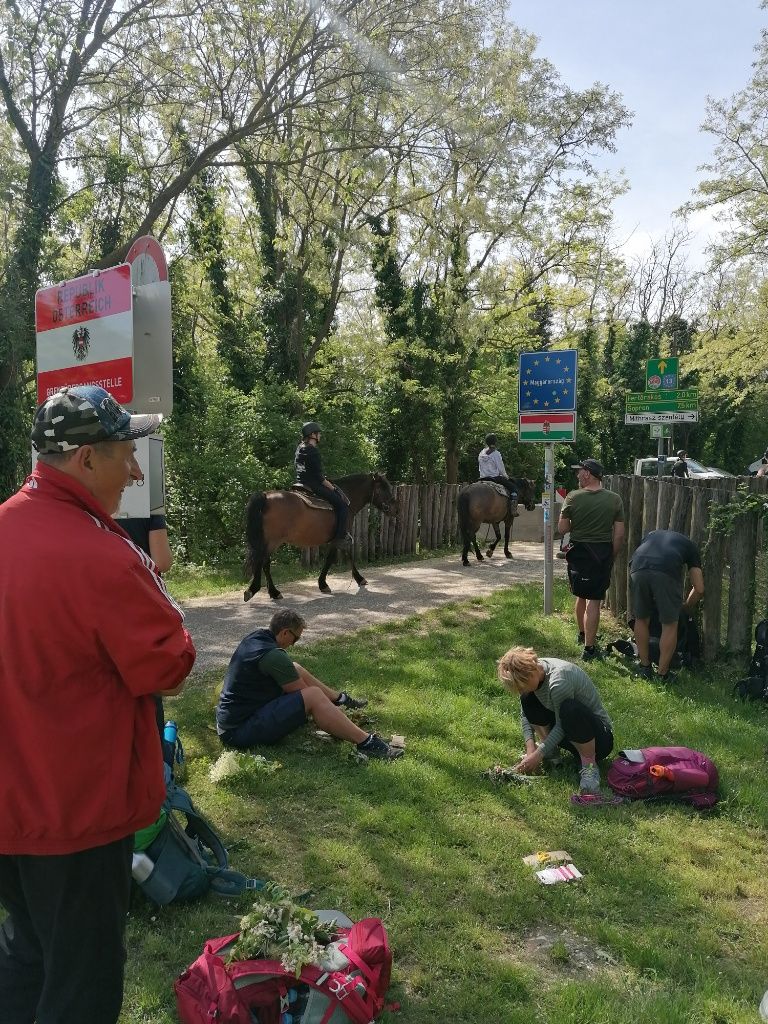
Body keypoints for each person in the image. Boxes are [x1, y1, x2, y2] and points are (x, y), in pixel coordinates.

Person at [0, 385, 196, 1024]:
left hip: (10, 809)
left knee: (27, 954)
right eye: (124, 453)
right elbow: (171, 663)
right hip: (76, 816)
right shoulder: (101, 555)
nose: (135, 469)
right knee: (81, 986)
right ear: (86, 459)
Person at [216, 608, 404, 761]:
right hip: (238, 731)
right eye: (295, 638)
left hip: (233, 719)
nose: (294, 643)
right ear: (284, 633)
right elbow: (307, 697)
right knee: (313, 695)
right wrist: (334, 715)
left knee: (295, 667)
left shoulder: (257, 637)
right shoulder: (273, 656)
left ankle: (340, 699)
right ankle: (367, 743)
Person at [497, 646, 614, 795]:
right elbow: (526, 714)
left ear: (530, 673)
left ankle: (590, 767)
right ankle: (551, 753)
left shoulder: (558, 681)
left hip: (599, 741)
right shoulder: (535, 676)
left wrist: (537, 755)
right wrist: (531, 751)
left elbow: (561, 725)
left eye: (521, 687)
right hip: (571, 733)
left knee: (570, 709)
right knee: (527, 699)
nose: (520, 691)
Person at [557, 458, 625, 661]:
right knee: (594, 601)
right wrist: (611, 555)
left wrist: (575, 523)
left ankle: (582, 634)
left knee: (580, 595)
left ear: (588, 473)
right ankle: (590, 648)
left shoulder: (573, 497)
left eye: (579, 472)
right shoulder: (614, 499)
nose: (577, 475)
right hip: (601, 553)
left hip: (579, 553)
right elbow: (619, 534)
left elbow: (562, 529)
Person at [629, 529, 704, 681]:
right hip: (665, 572)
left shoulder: (650, 535)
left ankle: (644, 667)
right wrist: (685, 606)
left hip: (637, 567)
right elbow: (699, 588)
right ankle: (662, 674)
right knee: (670, 624)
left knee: (641, 618)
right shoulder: (690, 546)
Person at [294, 421, 354, 552]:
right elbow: (320, 478)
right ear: (312, 435)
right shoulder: (313, 451)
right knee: (342, 505)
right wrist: (333, 487)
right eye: (318, 433)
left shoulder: (300, 447)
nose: (320, 435)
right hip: (313, 485)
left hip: (299, 484)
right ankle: (339, 537)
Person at [477, 433, 517, 500]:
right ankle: (513, 500)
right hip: (494, 478)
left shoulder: (481, 452)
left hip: (482, 478)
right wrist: (506, 477)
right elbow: (501, 470)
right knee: (513, 488)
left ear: (486, 442)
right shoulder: (496, 453)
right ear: (495, 442)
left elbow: (480, 465)